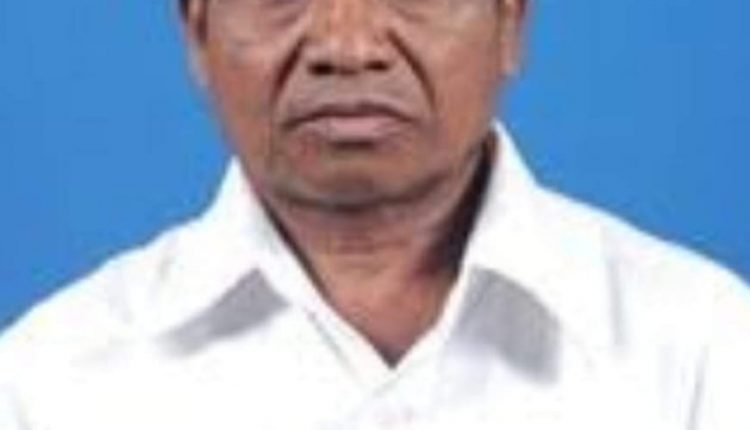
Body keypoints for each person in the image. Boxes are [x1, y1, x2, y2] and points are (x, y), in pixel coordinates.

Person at [1, 0, 748, 428]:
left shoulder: (704, 351)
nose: (347, 45)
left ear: (511, 20)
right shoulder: (47, 384)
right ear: (197, 28)